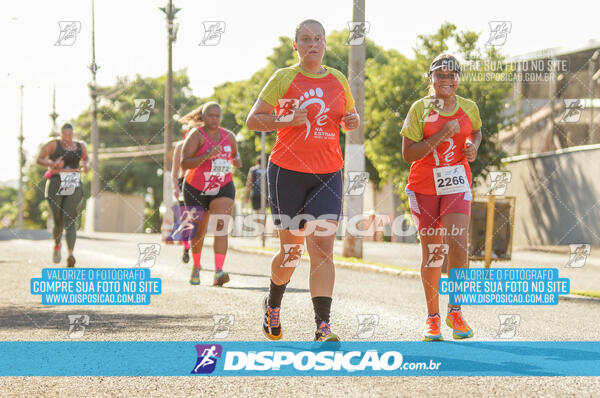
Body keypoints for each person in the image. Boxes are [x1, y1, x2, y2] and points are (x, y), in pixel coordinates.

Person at [246, 19, 360, 342]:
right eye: (306, 39)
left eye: (318, 39)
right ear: (295, 45)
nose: (313, 44)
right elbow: (253, 120)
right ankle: (272, 305)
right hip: (287, 173)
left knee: (323, 250)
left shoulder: (338, 80)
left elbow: (349, 119)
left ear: (325, 44)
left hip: (327, 174)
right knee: (292, 253)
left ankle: (322, 327)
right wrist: (286, 118)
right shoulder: (284, 78)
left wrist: (353, 120)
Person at [401, 54, 482, 341]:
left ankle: (455, 311)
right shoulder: (419, 109)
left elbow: (476, 131)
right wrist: (441, 135)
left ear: (458, 78)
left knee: (459, 245)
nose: (446, 80)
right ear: (431, 79)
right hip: (424, 186)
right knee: (434, 252)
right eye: (440, 75)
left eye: (452, 74)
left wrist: (472, 145)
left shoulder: (469, 108)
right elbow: (408, 154)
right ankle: (433, 318)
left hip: (456, 183)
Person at [181, 102, 242, 286]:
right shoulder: (196, 135)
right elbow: (184, 163)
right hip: (197, 187)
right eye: (210, 115)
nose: (214, 119)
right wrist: (206, 155)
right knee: (199, 230)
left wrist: (237, 161)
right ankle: (197, 266)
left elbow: (236, 157)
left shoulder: (229, 136)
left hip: (222, 185)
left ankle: (218, 271)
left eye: (217, 115)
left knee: (221, 226)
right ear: (203, 117)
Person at [36, 123, 89, 267]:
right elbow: (39, 159)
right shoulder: (52, 145)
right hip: (55, 181)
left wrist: (86, 166)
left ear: (73, 134)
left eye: (70, 135)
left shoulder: (80, 146)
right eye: (64, 136)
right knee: (58, 219)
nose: (67, 138)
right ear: (60, 135)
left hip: (72, 181)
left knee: (70, 218)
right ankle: (57, 245)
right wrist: (52, 164)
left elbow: (86, 159)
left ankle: (71, 254)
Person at [172, 106, 205, 263]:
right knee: (187, 220)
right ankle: (186, 249)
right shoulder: (180, 146)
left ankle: (195, 254)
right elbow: (175, 170)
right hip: (184, 183)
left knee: (199, 222)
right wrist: (175, 188)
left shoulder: (207, 145)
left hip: (202, 185)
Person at [244, 155, 267, 233]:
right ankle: (263, 232)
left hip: (256, 194)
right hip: (265, 194)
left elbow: (249, 183)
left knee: (258, 213)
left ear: (257, 162)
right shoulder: (267, 170)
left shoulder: (253, 170)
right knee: (264, 212)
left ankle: (261, 232)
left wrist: (246, 196)